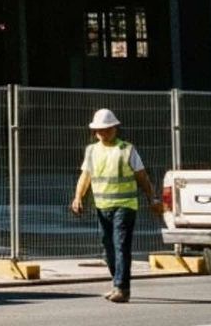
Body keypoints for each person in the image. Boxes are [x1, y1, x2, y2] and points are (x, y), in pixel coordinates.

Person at [71, 107, 164, 303]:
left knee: (121, 245)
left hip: (125, 205)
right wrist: (78, 197)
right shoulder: (92, 151)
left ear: (115, 128)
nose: (103, 133)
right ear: (94, 132)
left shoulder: (127, 150)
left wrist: (152, 198)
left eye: (107, 129)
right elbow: (85, 176)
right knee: (108, 246)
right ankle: (117, 283)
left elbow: (142, 176)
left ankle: (122, 288)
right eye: (99, 130)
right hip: (102, 206)